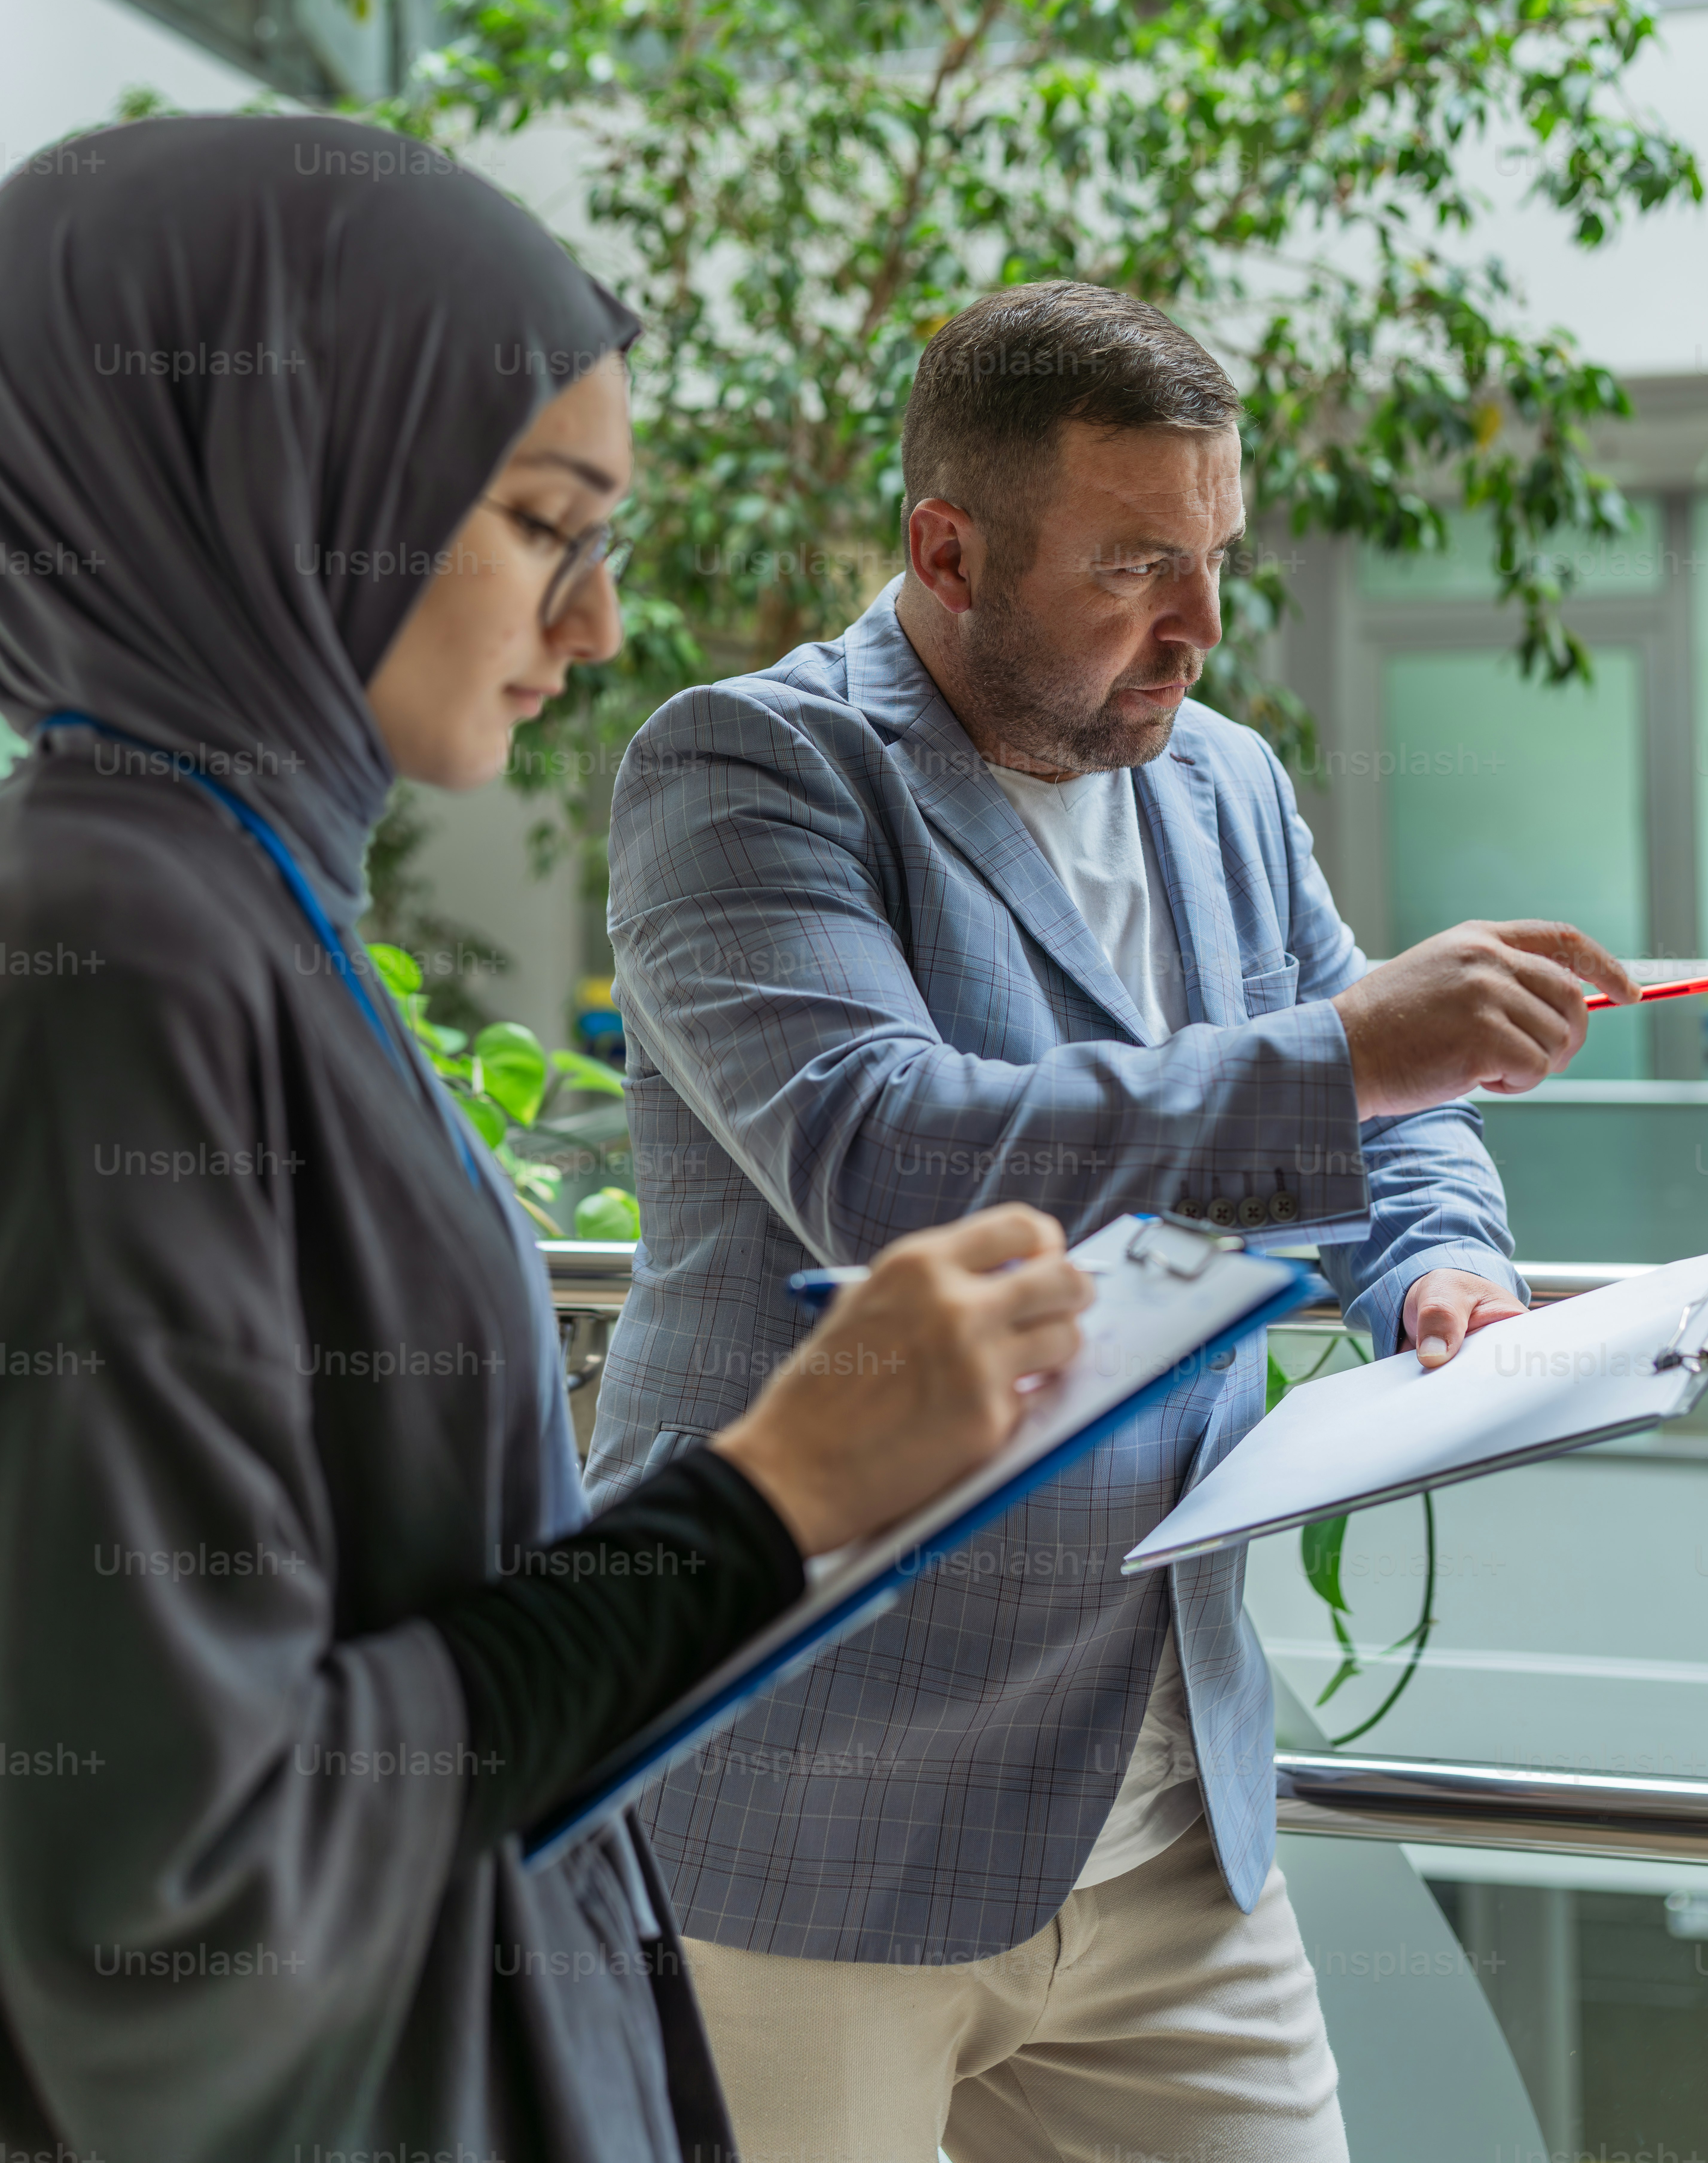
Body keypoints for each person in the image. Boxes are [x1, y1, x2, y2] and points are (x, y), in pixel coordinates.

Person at [0, 115, 1096, 2163]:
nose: (593, 628)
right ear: (275, 475)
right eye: (539, 522)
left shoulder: (235, 899)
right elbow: (180, 1886)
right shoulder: (118, 948)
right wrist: (775, 1489)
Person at [586, 279, 1642, 2163]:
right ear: (948, 552)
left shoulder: (1223, 779)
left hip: (1158, 1808)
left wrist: (1442, 1270)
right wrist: (1346, 1053)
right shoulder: (747, 766)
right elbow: (881, 1155)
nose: (1200, 625)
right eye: (1137, 565)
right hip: (806, 1808)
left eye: (1215, 556)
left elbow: (1389, 1113)